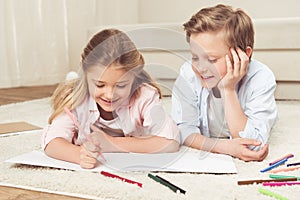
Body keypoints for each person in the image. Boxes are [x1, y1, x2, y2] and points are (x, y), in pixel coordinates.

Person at [42, 29, 180, 169]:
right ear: (85, 74)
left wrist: (112, 143)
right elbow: (52, 142)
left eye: (121, 85)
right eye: (100, 85)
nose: (109, 95)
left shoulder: (144, 96)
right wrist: (78, 155)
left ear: (134, 78)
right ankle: (72, 79)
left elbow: (170, 142)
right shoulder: (75, 98)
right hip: (77, 90)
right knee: (71, 88)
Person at [171, 4, 277, 161]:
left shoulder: (261, 78)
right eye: (195, 57)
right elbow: (183, 130)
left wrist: (228, 89)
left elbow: (253, 144)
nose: (201, 68)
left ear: (243, 55)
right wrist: (224, 147)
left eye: (212, 59)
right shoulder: (188, 73)